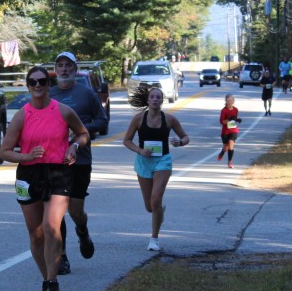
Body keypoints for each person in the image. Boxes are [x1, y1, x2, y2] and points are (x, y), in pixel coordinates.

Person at [0, 66, 89, 291]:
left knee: (51, 226)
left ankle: (53, 280)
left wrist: (74, 146)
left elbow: (83, 134)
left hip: (58, 172)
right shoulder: (22, 115)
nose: (37, 85)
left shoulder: (63, 111)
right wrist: (26, 156)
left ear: (49, 85)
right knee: (36, 233)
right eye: (33, 82)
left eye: (42, 81)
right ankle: (46, 281)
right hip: (29, 174)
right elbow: (4, 151)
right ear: (28, 86)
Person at [49, 52, 108, 275]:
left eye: (68, 66)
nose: (64, 69)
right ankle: (61, 256)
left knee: (75, 210)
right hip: (54, 160)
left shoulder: (86, 93)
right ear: (55, 70)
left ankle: (82, 230)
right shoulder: (49, 94)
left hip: (80, 159)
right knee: (57, 209)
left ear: (75, 69)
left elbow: (102, 120)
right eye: (60, 65)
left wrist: (81, 130)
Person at [122, 86, 190, 251]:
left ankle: (154, 239)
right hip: (144, 162)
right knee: (150, 207)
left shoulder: (170, 119)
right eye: (152, 97)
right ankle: (159, 212)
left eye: (158, 97)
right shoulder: (139, 119)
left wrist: (180, 142)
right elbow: (126, 140)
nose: (155, 99)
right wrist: (140, 150)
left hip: (163, 162)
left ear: (162, 101)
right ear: (148, 100)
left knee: (156, 198)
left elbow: (185, 137)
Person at [216, 94, 240, 168]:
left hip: (233, 130)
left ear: (233, 101)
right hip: (225, 131)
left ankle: (230, 162)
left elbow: (234, 119)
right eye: (228, 101)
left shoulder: (236, 109)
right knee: (225, 147)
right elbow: (222, 122)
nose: (229, 102)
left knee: (230, 144)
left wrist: (237, 120)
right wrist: (229, 120)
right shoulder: (224, 110)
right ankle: (222, 152)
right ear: (225, 101)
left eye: (231, 101)